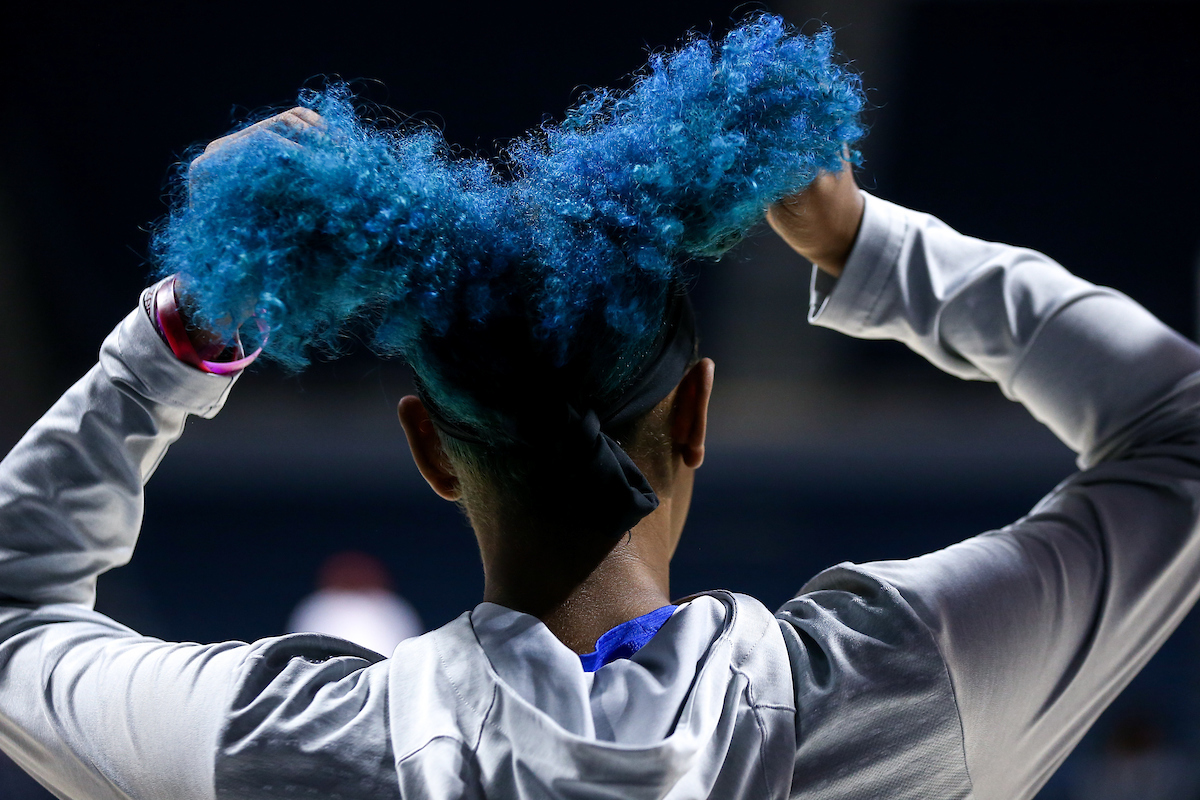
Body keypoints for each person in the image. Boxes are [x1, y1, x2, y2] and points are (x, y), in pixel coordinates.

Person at [4, 30, 1200, 800]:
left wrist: (182, 339)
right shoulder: (895, 694)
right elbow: (1180, 427)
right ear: (696, 412)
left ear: (430, 449)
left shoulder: (297, 746)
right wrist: (862, 241)